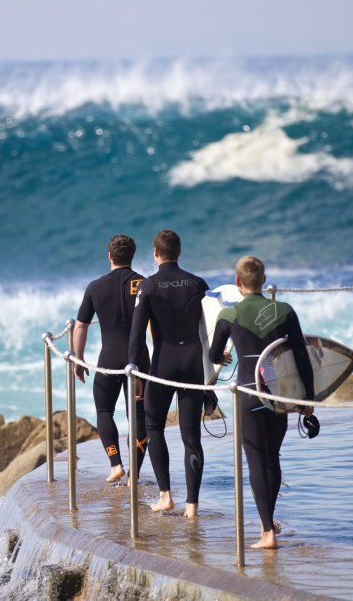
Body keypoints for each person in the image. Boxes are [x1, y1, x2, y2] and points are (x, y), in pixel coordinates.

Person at [208, 255, 315, 549]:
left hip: (247, 394)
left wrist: (223, 357)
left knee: (255, 460)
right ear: (264, 281)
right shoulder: (285, 310)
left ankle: (267, 530)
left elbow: (213, 355)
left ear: (238, 282)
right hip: (278, 394)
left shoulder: (229, 316)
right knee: (272, 458)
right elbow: (302, 358)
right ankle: (271, 522)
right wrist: (307, 399)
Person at [128, 229, 210, 517]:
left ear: (155, 252)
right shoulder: (198, 284)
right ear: (179, 251)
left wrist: (134, 372)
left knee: (154, 428)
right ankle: (192, 507)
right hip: (193, 364)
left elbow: (137, 336)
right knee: (192, 437)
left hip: (163, 364)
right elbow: (209, 330)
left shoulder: (148, 287)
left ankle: (165, 496)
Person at [73, 234, 150, 483]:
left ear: (109, 256)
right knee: (138, 417)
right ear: (132, 256)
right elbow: (156, 326)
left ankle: (115, 463)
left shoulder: (95, 287)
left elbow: (81, 326)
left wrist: (79, 359)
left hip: (108, 359)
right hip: (139, 360)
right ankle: (133, 475)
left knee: (104, 410)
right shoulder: (145, 284)